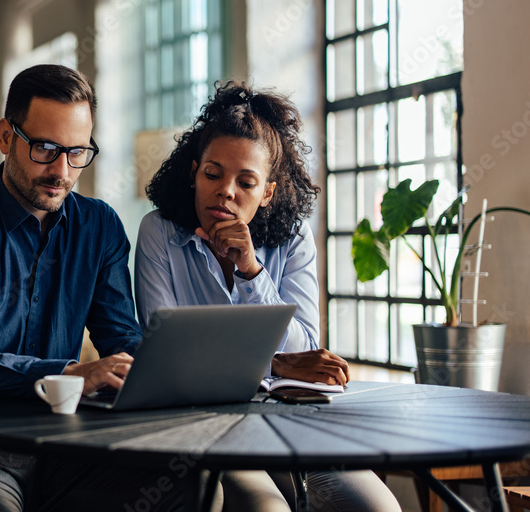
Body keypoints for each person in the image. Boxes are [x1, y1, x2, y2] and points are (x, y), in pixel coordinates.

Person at [0, 64, 188, 512]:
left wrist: (180, 369)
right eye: (45, 148)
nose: (61, 171)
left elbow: (121, 337)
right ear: (6, 137)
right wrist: (71, 373)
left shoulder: (100, 226)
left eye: (77, 152)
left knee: (188, 490)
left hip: (60, 445)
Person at [135, 81, 401, 512]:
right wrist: (274, 364)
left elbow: (306, 348)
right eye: (213, 174)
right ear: (193, 173)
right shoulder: (159, 234)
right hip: (204, 427)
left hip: (294, 419)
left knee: (378, 508)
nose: (226, 191)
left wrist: (251, 270)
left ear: (268, 192)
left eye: (246, 181)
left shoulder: (293, 240)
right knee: (267, 508)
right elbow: (168, 356)